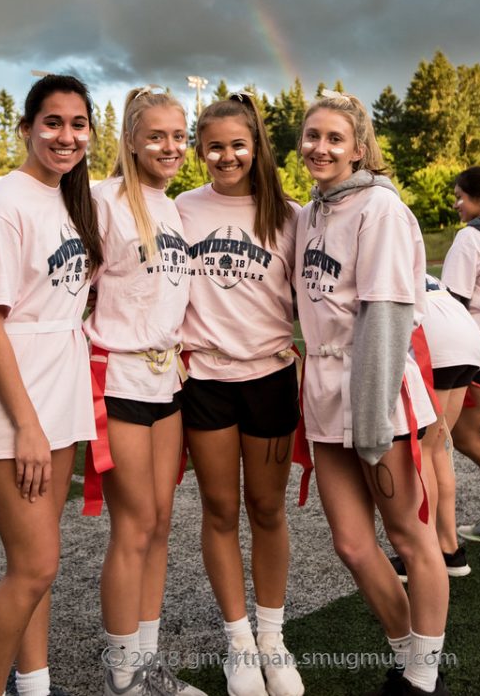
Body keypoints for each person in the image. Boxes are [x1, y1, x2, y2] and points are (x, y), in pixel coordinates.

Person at [0, 74, 103, 696]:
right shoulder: (4, 204)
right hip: (18, 404)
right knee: (34, 566)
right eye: (53, 122)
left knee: (39, 564)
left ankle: (33, 685)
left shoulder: (68, 198)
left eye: (78, 124)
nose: (66, 136)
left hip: (58, 385)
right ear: (27, 127)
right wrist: (28, 425)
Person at [293, 91, 449, 696]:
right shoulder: (310, 211)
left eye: (335, 138)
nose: (321, 147)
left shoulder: (380, 209)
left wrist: (372, 417)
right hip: (325, 393)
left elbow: (386, 313)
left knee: (410, 536)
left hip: (375, 393)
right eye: (312, 135)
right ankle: (407, 649)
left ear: (359, 148)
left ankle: (422, 674)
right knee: (353, 545)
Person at [176, 92, 304, 696]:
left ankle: (274, 638)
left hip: (271, 378)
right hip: (205, 381)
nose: (226, 156)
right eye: (215, 146)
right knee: (221, 510)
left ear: (256, 148)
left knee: (268, 509)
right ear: (200, 149)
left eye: (237, 144)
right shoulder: (180, 208)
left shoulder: (291, 216)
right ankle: (239, 643)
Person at [82, 85, 207, 696]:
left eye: (178, 136)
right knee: (131, 525)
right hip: (121, 376)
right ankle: (121, 670)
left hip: (168, 378)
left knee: (160, 521)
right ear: (130, 138)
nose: (171, 146)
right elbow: (71, 288)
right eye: (156, 135)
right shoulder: (101, 199)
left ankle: (147, 663)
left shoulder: (175, 206)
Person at [389, 274, 480, 581]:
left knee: (426, 450)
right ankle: (449, 549)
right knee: (438, 448)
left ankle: (426, 548)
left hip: (435, 335)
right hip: (467, 332)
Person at [441, 166, 480, 545]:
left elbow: (452, 303)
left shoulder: (471, 239)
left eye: (461, 196)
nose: (457, 204)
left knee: (462, 435)